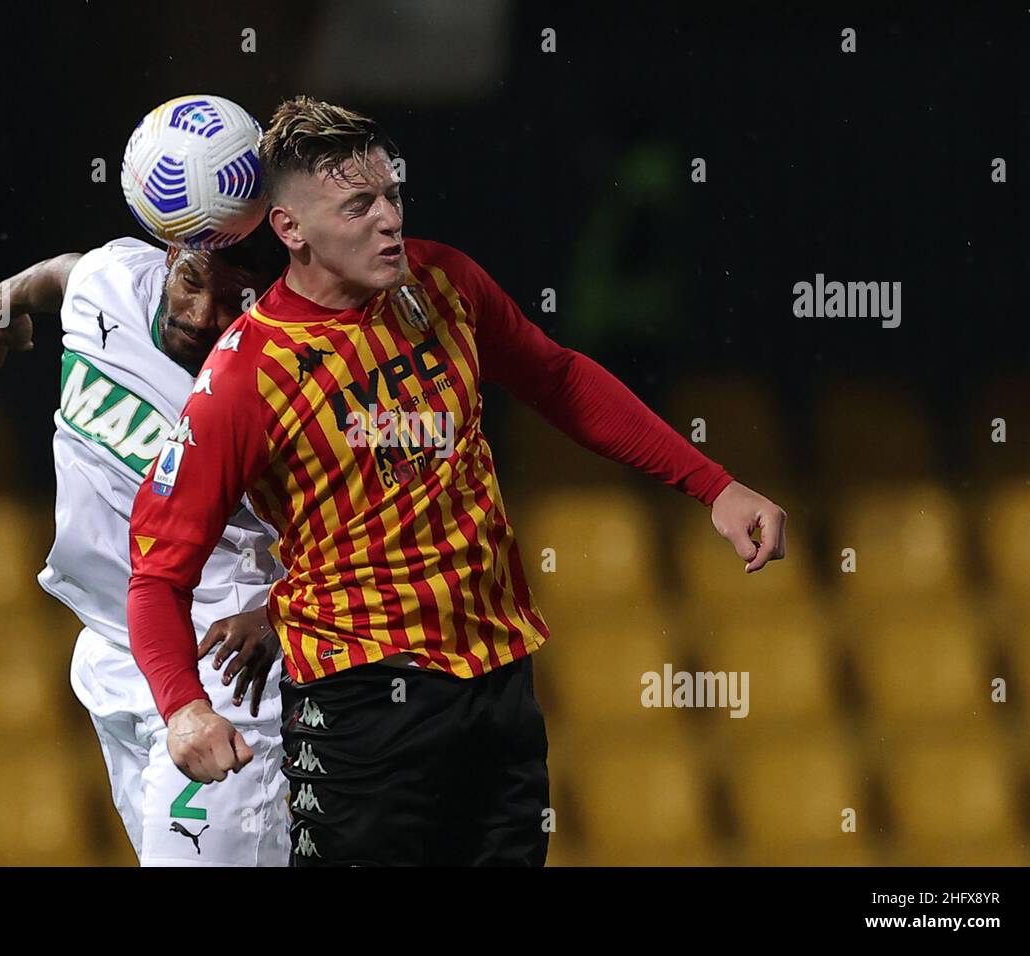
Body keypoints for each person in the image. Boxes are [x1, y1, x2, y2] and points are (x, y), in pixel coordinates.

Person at [126, 95, 787, 866]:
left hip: (497, 685)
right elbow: (155, 574)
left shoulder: (443, 284)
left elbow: (559, 380)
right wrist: (183, 710)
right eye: (359, 205)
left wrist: (714, 486)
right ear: (291, 229)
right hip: (362, 708)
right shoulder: (244, 379)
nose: (388, 220)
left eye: (393, 196)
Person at [0, 224, 291, 866]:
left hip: (218, 668)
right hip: (112, 658)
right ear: (169, 259)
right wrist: (14, 292)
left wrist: (280, 611)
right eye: (190, 284)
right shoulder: (113, 283)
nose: (202, 315)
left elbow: (369, 520)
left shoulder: (283, 374)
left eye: (233, 298)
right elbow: (67, 272)